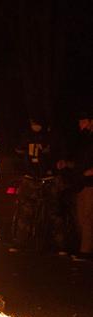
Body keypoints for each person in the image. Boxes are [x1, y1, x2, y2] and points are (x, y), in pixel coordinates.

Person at [12, 118, 63, 251]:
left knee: (53, 213)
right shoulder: (26, 136)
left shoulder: (52, 137)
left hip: (48, 179)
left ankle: (59, 245)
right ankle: (21, 242)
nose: (34, 125)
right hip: (30, 178)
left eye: (37, 122)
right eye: (33, 122)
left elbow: (59, 154)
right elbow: (19, 153)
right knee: (26, 213)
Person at [58, 111, 93, 260]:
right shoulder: (84, 139)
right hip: (79, 183)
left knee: (87, 217)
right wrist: (67, 164)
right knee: (79, 218)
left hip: (90, 184)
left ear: (91, 121)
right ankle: (82, 248)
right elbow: (80, 162)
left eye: (83, 121)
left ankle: (86, 252)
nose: (80, 125)